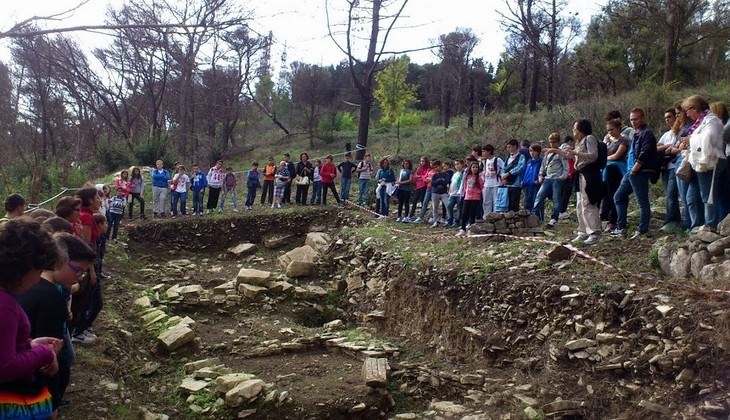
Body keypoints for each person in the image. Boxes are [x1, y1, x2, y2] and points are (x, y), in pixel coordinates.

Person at [18, 232, 96, 416]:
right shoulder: (51, 297)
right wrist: (51, 402)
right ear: (60, 260)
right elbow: (49, 355)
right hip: (33, 384)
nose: (80, 276)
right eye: (77, 269)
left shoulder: (26, 285)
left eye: (83, 272)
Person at [0, 218, 62, 420]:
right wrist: (44, 353)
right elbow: (4, 367)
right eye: (39, 271)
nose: (39, 279)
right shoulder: (4, 305)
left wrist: (27, 345)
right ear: (24, 267)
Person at [613, 108, 660, 239]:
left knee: (642, 202)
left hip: (639, 171)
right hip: (631, 172)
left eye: (636, 119)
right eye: (631, 119)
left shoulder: (647, 133)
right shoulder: (636, 134)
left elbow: (645, 153)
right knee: (618, 197)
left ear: (643, 118)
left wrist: (635, 169)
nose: (633, 122)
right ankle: (621, 227)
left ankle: (642, 230)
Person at [683, 95, 728, 229]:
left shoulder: (712, 121)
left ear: (695, 108)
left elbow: (708, 138)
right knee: (696, 196)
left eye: (688, 110)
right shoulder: (699, 123)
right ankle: (701, 224)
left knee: (708, 195)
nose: (686, 113)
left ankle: (710, 224)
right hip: (700, 163)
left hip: (711, 162)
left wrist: (690, 139)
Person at [563, 119, 603, 245]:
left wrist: (576, 152)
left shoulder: (589, 138)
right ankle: (583, 230)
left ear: (581, 129)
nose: (573, 131)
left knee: (588, 203)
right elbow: (572, 157)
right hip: (579, 174)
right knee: (580, 204)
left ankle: (594, 232)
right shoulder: (578, 142)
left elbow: (593, 155)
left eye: (575, 128)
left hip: (589, 173)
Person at [599, 119, 630, 232]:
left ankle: (615, 220)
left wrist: (605, 159)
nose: (610, 132)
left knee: (615, 195)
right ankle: (607, 219)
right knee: (607, 195)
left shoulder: (624, 140)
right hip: (607, 171)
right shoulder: (609, 141)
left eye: (612, 129)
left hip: (618, 170)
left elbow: (617, 155)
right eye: (608, 130)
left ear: (618, 128)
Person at [533, 133, 568, 226]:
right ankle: (536, 217)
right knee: (539, 197)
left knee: (556, 199)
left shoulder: (560, 153)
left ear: (558, 142)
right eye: (550, 142)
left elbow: (565, 166)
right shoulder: (547, 154)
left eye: (554, 142)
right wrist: (540, 175)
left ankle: (554, 218)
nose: (552, 144)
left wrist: (563, 176)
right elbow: (543, 165)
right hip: (547, 178)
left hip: (557, 178)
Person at [656, 109, 682, 232]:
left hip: (675, 165)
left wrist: (669, 148)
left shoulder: (681, 131)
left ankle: (673, 220)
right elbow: (656, 147)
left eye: (669, 117)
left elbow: (678, 146)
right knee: (668, 194)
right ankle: (672, 218)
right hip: (665, 167)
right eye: (665, 117)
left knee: (672, 194)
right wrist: (667, 147)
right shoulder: (666, 134)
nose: (667, 119)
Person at [457, 161, 483, 237]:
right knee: (464, 213)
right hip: (467, 197)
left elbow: (481, 187)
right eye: (473, 167)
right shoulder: (467, 177)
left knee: (472, 213)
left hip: (476, 198)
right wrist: (464, 194)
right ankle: (462, 228)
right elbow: (465, 186)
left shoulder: (479, 178)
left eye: (476, 167)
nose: (475, 169)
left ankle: (471, 229)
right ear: (470, 168)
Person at [501, 139, 527, 212]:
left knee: (514, 204)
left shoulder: (521, 157)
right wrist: (503, 175)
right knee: (507, 203)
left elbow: (520, 167)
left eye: (510, 147)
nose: (508, 149)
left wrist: (509, 173)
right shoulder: (508, 157)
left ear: (515, 146)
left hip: (516, 183)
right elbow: (504, 167)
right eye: (507, 147)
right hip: (507, 184)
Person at [480, 145, 503, 215]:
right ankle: (486, 217)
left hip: (496, 183)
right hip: (486, 184)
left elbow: (504, 168)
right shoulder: (485, 161)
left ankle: (496, 217)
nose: (482, 153)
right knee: (486, 202)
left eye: (484, 151)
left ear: (489, 151)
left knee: (496, 201)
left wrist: (502, 176)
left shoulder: (497, 160)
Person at [429, 160, 450, 227]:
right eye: (434, 168)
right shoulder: (434, 175)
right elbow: (433, 183)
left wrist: (438, 182)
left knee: (448, 206)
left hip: (444, 192)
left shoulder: (446, 174)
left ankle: (449, 220)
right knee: (435, 207)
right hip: (435, 192)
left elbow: (446, 182)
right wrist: (440, 180)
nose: (435, 169)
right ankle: (435, 221)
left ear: (440, 166)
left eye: (436, 167)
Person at [522, 144, 543, 211]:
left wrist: (538, 180)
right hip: (527, 185)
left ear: (538, 152)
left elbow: (543, 172)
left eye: (534, 151)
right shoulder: (528, 161)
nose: (532, 153)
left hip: (536, 185)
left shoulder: (541, 161)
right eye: (530, 151)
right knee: (527, 203)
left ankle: (537, 219)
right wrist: (523, 180)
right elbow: (525, 172)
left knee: (536, 203)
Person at [446, 159, 465, 228]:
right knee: (449, 206)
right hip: (452, 193)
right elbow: (452, 183)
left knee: (459, 208)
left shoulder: (464, 173)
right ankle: (450, 220)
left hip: (459, 194)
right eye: (455, 164)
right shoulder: (455, 173)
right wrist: (450, 191)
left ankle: (457, 221)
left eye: (458, 164)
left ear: (462, 164)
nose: (456, 166)